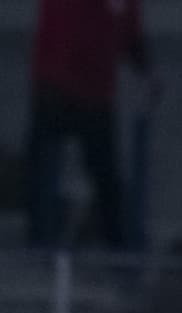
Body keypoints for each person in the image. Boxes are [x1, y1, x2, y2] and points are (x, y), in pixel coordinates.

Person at [25, 0, 161, 249]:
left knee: (103, 173)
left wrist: (147, 73)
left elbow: (132, 37)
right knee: (44, 170)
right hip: (59, 89)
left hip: (90, 95)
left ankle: (115, 244)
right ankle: (42, 238)